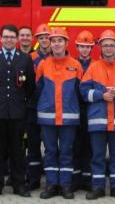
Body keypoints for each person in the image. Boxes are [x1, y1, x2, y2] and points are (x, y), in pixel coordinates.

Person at [0, 24, 36, 198]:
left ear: (17, 39)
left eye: (12, 37)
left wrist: (20, 102)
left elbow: (29, 86)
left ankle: (19, 183)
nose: (9, 40)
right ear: (0, 38)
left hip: (17, 113)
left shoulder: (25, 59)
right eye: (6, 37)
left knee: (17, 150)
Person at [79, 29, 115, 200]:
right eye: (105, 45)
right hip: (98, 121)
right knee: (97, 157)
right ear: (100, 48)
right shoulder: (93, 67)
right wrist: (100, 95)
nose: (108, 48)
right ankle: (98, 188)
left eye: (111, 45)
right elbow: (83, 91)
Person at [35, 27, 83, 199]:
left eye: (60, 41)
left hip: (68, 118)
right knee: (50, 151)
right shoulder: (43, 64)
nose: (56, 44)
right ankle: (51, 184)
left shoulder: (75, 65)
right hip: (47, 118)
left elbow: (80, 92)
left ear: (66, 43)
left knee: (66, 152)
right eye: (53, 41)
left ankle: (65, 185)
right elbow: (38, 89)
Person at [27, 24, 53, 190]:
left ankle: (52, 179)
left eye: (47, 38)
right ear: (37, 39)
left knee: (51, 146)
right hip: (33, 107)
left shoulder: (57, 57)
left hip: (51, 109)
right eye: (41, 38)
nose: (44, 40)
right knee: (33, 145)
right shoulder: (29, 58)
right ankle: (34, 178)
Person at [73, 30, 95, 191]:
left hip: (91, 110)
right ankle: (75, 181)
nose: (84, 49)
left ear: (92, 48)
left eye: (87, 47)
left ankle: (87, 181)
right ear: (77, 47)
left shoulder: (96, 66)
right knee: (75, 146)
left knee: (89, 146)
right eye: (82, 46)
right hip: (74, 109)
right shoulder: (72, 65)